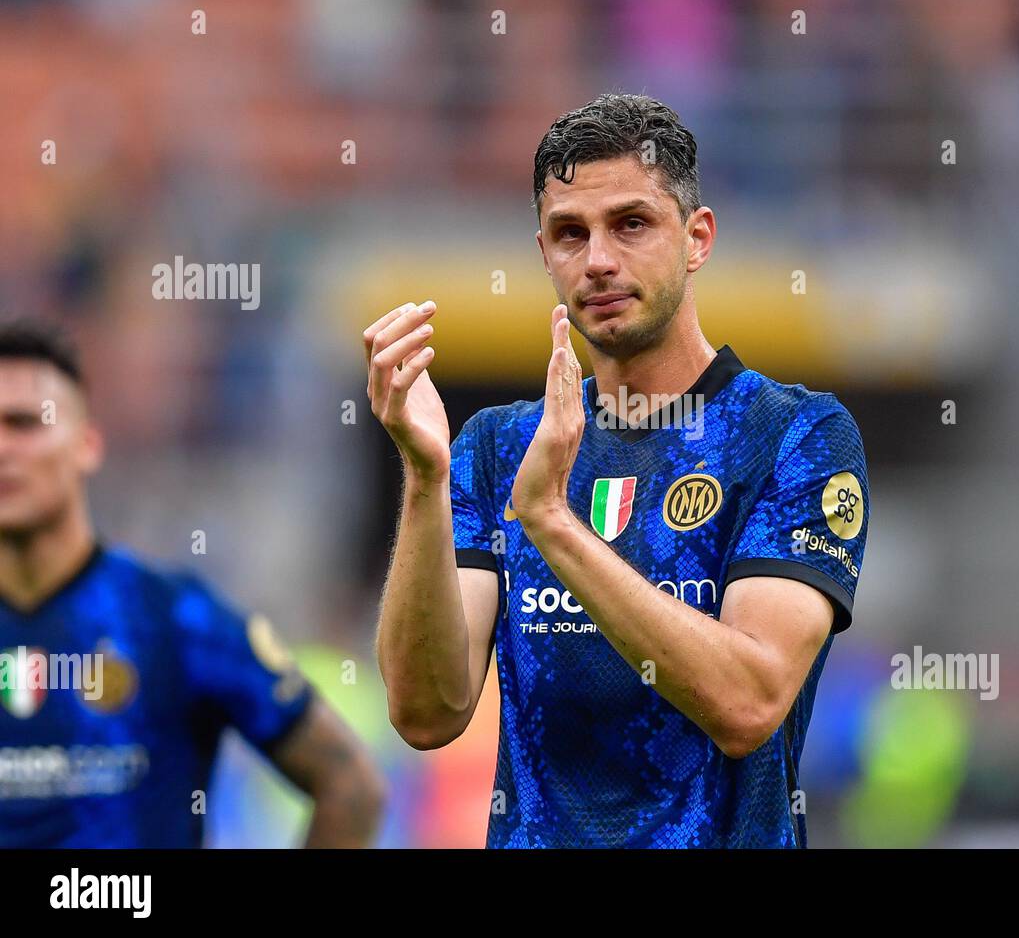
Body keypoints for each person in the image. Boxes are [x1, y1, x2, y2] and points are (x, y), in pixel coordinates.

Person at [368, 93, 868, 847]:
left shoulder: (795, 436)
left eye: (631, 224)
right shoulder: (496, 448)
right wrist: (425, 479)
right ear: (545, 253)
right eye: (571, 233)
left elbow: (748, 703)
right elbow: (425, 713)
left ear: (697, 238)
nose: (598, 259)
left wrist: (554, 526)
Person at [0, 321, 386, 847]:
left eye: (24, 424)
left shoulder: (174, 619)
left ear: (87, 445)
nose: (5, 450)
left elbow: (350, 785)